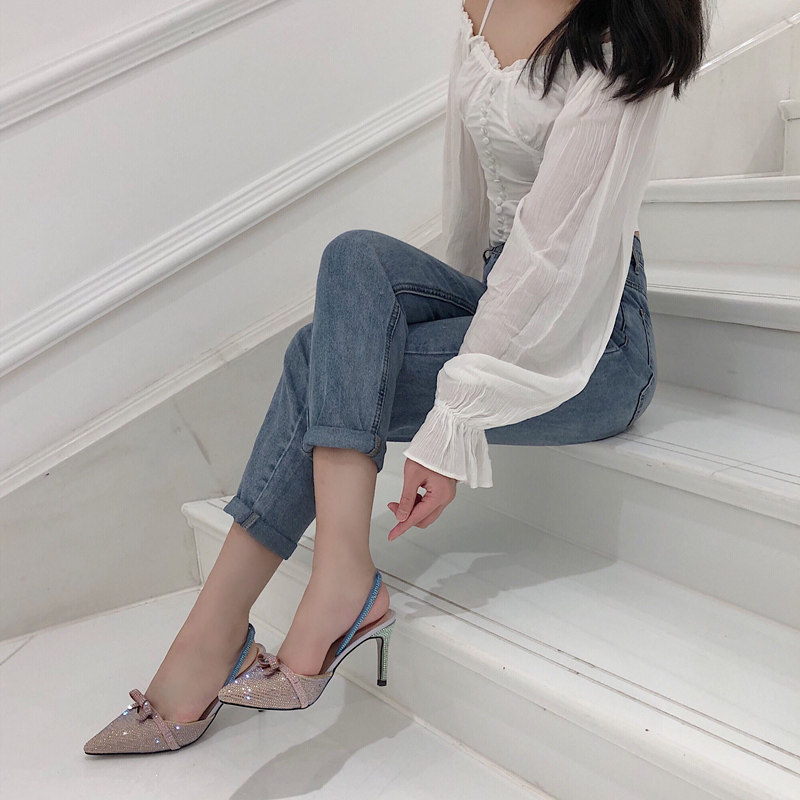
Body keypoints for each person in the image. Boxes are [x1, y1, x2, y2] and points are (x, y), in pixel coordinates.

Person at [85, 0, 708, 754]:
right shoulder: (483, 5)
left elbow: (552, 255)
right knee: (353, 259)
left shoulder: (631, 28)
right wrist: (415, 330)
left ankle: (220, 636)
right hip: (501, 292)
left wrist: (454, 419)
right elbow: (472, 200)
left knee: (319, 356)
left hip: (595, 338)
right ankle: (337, 578)